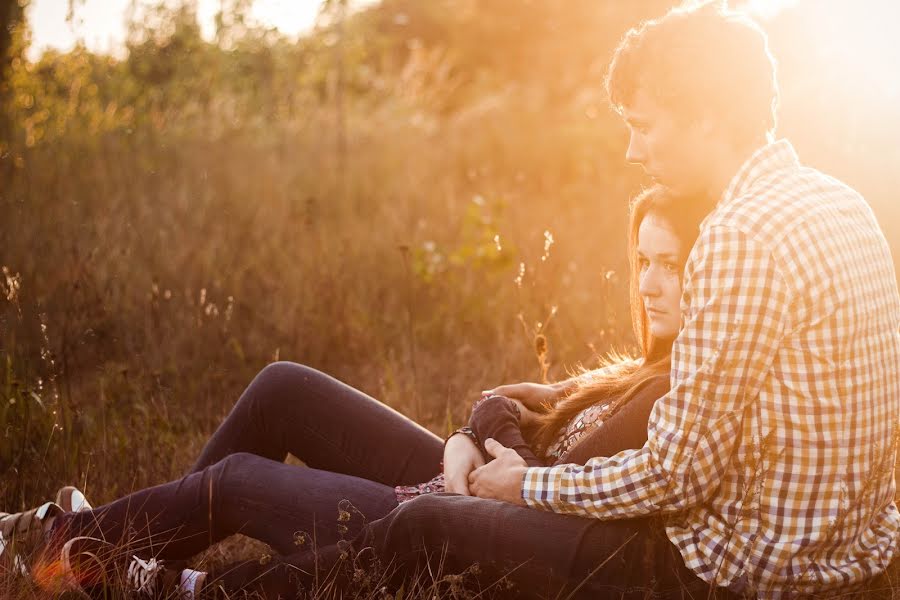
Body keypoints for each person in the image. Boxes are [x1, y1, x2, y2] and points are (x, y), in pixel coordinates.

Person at [308, 3, 900, 598]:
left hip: (731, 575)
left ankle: (217, 585)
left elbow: (675, 475)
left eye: (644, 126)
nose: (632, 151)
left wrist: (527, 486)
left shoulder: (738, 235)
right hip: (851, 558)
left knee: (425, 522)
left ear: (705, 116)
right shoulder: (843, 203)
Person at [0, 185, 708, 598]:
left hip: (459, 533)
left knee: (241, 481)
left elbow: (554, 489)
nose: (648, 283)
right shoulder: (639, 369)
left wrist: (497, 455)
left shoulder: (686, 392)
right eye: (643, 260)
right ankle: (132, 561)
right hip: (455, 485)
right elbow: (507, 400)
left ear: (717, 272)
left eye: (671, 265)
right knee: (284, 386)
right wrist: (471, 440)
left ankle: (65, 546)